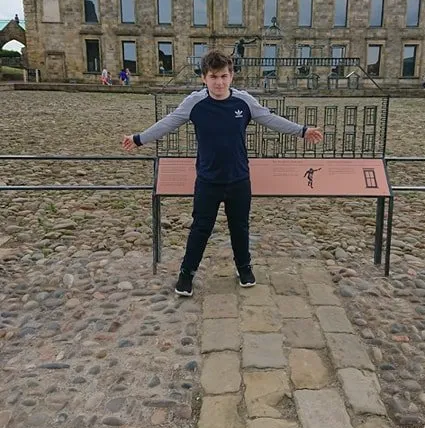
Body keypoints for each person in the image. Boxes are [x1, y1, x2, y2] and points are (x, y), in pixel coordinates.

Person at [122, 50, 323, 297]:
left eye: (224, 76)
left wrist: (302, 131)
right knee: (200, 228)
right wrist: (139, 139)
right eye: (214, 76)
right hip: (208, 180)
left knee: (240, 227)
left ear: (232, 76)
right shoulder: (194, 103)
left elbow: (270, 119)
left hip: (239, 179)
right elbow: (168, 122)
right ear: (204, 78)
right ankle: (187, 273)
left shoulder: (244, 101)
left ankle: (244, 267)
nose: (219, 82)